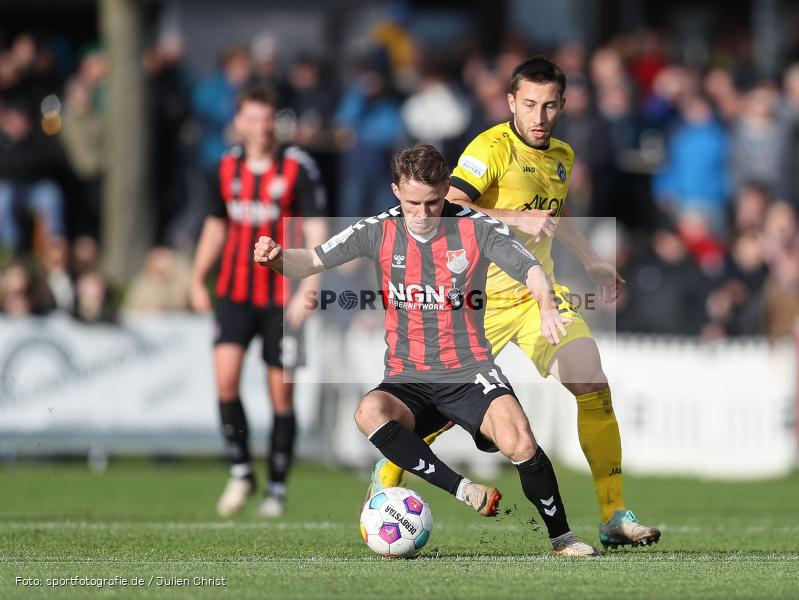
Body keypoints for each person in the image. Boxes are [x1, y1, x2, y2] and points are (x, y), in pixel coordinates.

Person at [372, 56, 661, 550]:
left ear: (563, 105)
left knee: (592, 380)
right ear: (511, 102)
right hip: (474, 305)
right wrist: (512, 217)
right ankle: (383, 491)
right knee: (435, 413)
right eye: (529, 104)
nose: (539, 115)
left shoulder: (562, 156)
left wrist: (591, 259)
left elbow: (558, 211)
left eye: (550, 105)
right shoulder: (490, 148)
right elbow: (448, 207)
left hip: (535, 300)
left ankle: (613, 515)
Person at [255, 143, 597, 557]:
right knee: (368, 412)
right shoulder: (377, 228)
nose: (422, 215)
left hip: (468, 371)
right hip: (408, 377)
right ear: (396, 190)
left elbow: (530, 269)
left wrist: (545, 308)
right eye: (413, 203)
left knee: (521, 442)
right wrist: (275, 259)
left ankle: (563, 538)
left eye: (433, 204)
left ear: (447, 189)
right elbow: (308, 261)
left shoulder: (476, 226)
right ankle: (461, 488)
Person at [191, 85, 328, 518]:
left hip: (281, 297)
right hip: (234, 291)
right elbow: (216, 226)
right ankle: (240, 471)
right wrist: (198, 277)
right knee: (226, 380)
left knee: (280, 396)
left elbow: (315, 229)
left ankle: (277, 488)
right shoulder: (225, 167)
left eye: (267, 118)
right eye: (252, 117)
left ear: (276, 122)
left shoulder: (297, 167)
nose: (261, 126)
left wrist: (310, 286)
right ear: (239, 122)